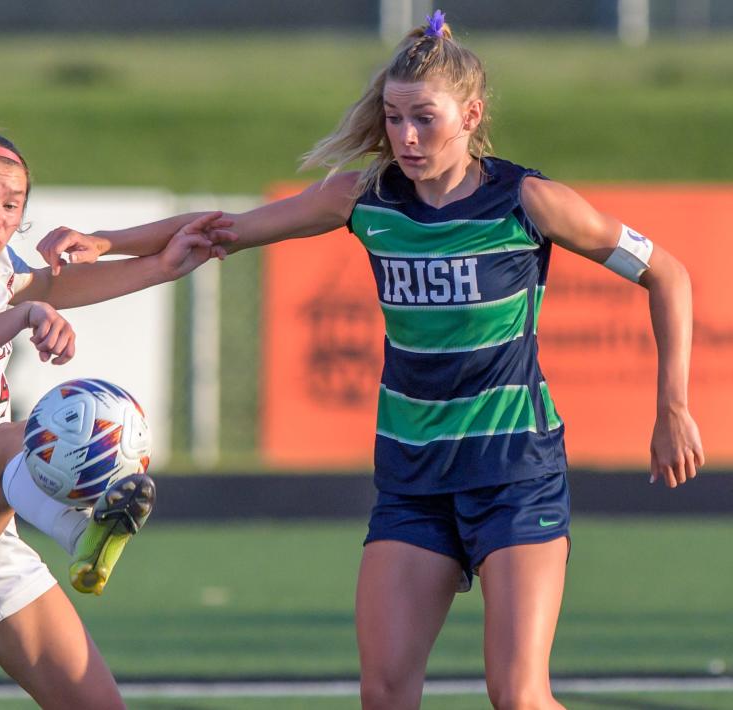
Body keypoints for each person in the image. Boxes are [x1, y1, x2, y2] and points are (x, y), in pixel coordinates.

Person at [39, 11, 706, 709]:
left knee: (517, 697)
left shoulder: (529, 202)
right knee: (384, 693)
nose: (405, 138)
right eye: (393, 118)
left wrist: (671, 407)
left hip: (514, 476)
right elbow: (220, 232)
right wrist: (104, 239)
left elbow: (668, 274)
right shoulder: (364, 198)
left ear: (471, 114)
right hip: (412, 480)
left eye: (424, 118)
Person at [0, 130, 234, 709]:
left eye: (12, 205)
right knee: (29, 437)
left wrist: (162, 265)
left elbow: (54, 283)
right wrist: (25, 315)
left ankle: (84, 534)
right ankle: (81, 529)